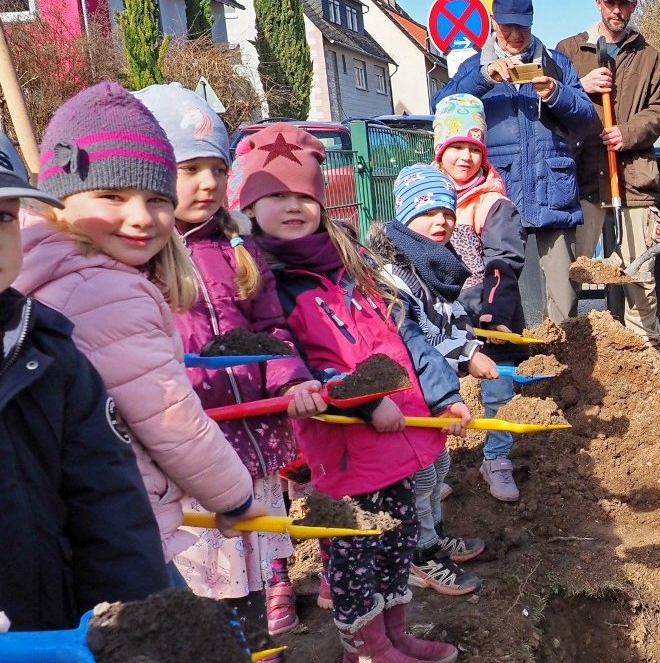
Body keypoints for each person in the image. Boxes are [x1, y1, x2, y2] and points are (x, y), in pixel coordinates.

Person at [237, 123, 467, 663]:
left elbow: (404, 333)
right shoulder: (264, 288)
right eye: (275, 196)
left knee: (397, 541)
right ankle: (364, 648)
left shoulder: (352, 267)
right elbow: (303, 366)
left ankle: (394, 633)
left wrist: (440, 395)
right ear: (249, 207)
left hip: (401, 435)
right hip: (346, 452)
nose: (292, 206)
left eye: (303, 195)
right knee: (356, 553)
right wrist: (365, 401)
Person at [16, 82, 262, 586]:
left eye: (156, 199)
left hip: (62, 521)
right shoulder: (105, 290)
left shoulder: (42, 267)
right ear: (60, 198)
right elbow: (170, 418)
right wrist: (233, 496)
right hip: (117, 524)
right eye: (111, 195)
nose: (141, 218)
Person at [132, 83, 323, 654]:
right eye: (189, 168)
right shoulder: (142, 260)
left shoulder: (237, 249)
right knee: (205, 588)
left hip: (253, 437)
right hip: (191, 447)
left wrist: (293, 380)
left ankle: (264, 632)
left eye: (216, 167)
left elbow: (270, 331)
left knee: (255, 562)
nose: (209, 183)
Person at [0, 118, 167, 631]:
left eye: (0, 215)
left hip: (44, 624)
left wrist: (132, 623)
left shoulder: (49, 353)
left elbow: (109, 503)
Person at [432, 0, 599, 327]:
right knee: (503, 288)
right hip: (499, 195)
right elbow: (442, 108)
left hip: (553, 190)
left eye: (523, 26)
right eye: (507, 27)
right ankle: (518, 364)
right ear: (493, 22)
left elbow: (587, 121)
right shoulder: (473, 66)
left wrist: (556, 94)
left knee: (564, 295)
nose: (515, 35)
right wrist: (484, 78)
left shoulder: (557, 63)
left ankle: (562, 364)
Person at [367, 164, 494, 596]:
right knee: (420, 475)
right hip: (409, 390)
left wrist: (471, 350)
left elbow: (450, 320)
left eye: (447, 212)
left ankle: (434, 536)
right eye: (427, 213)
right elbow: (413, 337)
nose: (440, 221)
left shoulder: (433, 264)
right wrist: (461, 363)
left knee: (438, 465)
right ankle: (421, 555)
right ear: (404, 216)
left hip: (432, 386)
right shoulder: (396, 274)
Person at [556, 0, 660, 344]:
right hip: (584, 180)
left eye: (624, 3)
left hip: (634, 181)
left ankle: (645, 359)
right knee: (569, 276)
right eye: (611, 3)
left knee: (640, 278)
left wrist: (629, 132)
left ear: (633, 5)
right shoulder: (569, 52)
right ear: (598, 3)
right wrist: (578, 85)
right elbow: (546, 100)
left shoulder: (648, 57)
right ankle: (565, 353)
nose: (617, 10)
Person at [431, 94, 530, 503]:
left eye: (474, 148)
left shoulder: (493, 202)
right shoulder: (427, 199)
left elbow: (504, 261)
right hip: (437, 316)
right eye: (457, 147)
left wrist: (492, 313)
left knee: (497, 388)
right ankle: (434, 469)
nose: (466, 157)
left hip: (491, 311)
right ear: (440, 152)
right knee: (434, 388)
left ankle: (497, 457)